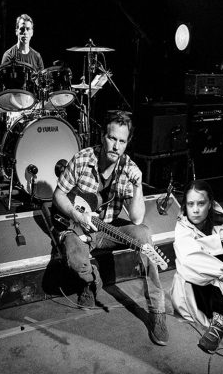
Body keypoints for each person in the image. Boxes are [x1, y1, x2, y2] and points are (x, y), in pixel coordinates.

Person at [52, 111, 169, 346]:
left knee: (144, 234)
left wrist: (138, 186)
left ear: (127, 143)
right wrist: (76, 215)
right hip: (78, 225)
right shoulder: (83, 159)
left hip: (107, 228)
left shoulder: (129, 169)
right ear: (103, 136)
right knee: (76, 261)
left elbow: (136, 218)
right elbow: (58, 195)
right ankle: (91, 280)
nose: (116, 146)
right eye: (112, 138)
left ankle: (157, 312)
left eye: (122, 141)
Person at [170, 180, 223, 354]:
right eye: (190, 204)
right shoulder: (182, 229)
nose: (195, 210)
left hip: (219, 288)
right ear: (185, 206)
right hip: (195, 289)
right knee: (203, 270)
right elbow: (191, 264)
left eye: (201, 203)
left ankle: (222, 317)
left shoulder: (217, 220)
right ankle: (221, 319)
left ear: (210, 204)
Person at [0, 14, 45, 126]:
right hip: (14, 105)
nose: (25, 32)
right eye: (22, 29)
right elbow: (4, 85)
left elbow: (42, 84)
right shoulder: (9, 55)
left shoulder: (37, 56)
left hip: (33, 105)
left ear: (32, 32)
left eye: (28, 29)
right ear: (16, 31)